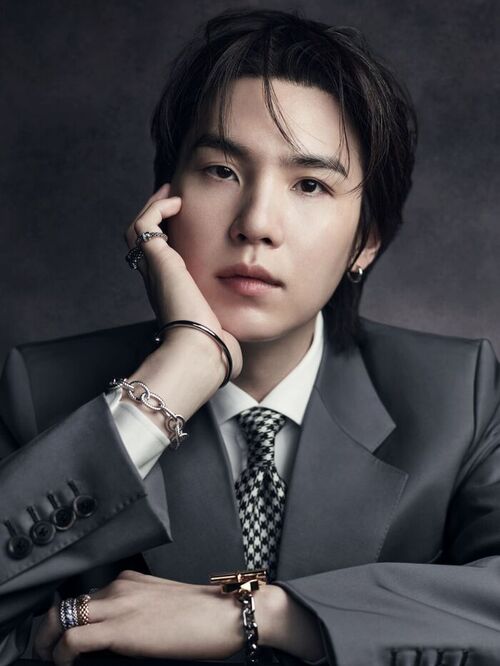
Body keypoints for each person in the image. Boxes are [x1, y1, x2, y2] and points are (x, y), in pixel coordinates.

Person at [1, 7, 500, 666]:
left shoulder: (457, 395)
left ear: (366, 242)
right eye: (222, 171)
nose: (257, 223)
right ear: (164, 200)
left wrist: (261, 613)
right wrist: (178, 371)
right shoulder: (39, 390)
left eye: (310, 184)